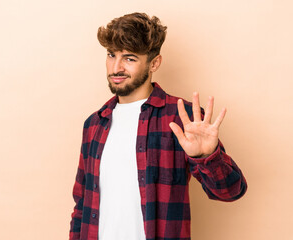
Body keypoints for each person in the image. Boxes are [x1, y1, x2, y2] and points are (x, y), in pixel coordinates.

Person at [69, 12, 247, 240]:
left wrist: (208, 155)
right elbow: (82, 204)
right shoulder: (94, 124)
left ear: (154, 63)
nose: (116, 67)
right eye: (111, 55)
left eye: (129, 58)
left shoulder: (181, 118)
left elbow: (231, 192)